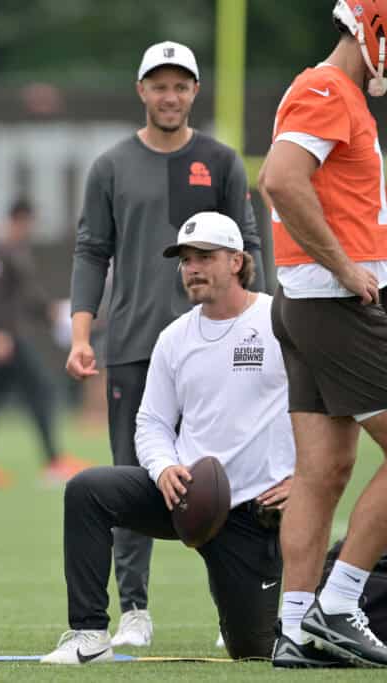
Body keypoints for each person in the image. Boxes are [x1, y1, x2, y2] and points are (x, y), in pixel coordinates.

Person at [65, 40, 267, 648]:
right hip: (133, 342)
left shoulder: (222, 161)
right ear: (141, 91)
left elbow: (250, 244)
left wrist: (269, 323)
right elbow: (90, 251)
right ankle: (134, 609)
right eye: (159, 85)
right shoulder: (111, 165)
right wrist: (81, 331)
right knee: (136, 472)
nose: (170, 95)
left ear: (194, 92)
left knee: (232, 471)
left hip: (221, 345)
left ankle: (239, 600)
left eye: (180, 85)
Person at [42, 211, 294, 664]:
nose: (191, 268)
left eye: (204, 257)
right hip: (184, 493)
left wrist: (302, 480)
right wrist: (163, 470)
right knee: (87, 491)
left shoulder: (279, 319)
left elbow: (322, 409)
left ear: (237, 261)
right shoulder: (175, 337)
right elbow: (152, 422)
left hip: (252, 510)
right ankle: (89, 636)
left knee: (253, 650)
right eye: (185, 260)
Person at [258, 0, 387, 668]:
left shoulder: (334, 92)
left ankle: (298, 624)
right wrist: (344, 265)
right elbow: (279, 178)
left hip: (309, 303)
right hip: (332, 301)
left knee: (323, 470)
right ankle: (341, 602)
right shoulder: (327, 87)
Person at [0, 198, 88, 489]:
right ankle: (53, 462)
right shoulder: (2, 251)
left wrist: (51, 312)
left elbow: (27, 297)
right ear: (18, 220)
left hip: (12, 337)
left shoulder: (17, 252)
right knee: (40, 391)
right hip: (8, 339)